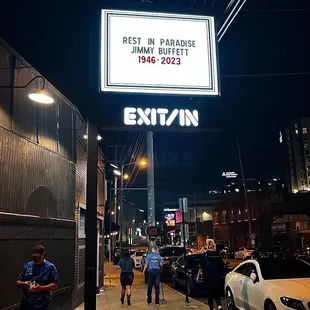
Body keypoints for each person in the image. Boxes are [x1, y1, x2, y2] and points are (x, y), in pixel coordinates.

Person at [16, 245, 58, 310]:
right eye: (34, 257)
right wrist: (24, 283)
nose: (36, 259)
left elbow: (54, 285)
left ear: (43, 255)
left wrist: (40, 288)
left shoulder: (50, 267)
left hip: (42, 304)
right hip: (27, 303)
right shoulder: (27, 266)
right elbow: (18, 282)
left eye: (38, 257)